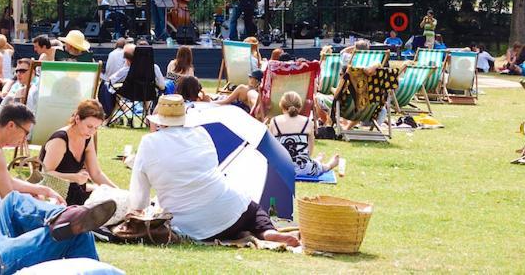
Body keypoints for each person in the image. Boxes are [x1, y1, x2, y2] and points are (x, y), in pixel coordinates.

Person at [128, 94, 299, 246]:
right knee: (252, 210)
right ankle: (266, 231)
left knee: (241, 208)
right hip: (229, 212)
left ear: (158, 121)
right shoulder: (201, 133)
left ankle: (263, 232)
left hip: (187, 225)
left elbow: (138, 201)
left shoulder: (148, 143)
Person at [40, 99, 118, 205]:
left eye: (96, 128)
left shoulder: (87, 138)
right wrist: (74, 177)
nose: (92, 132)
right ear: (77, 118)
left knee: (112, 200)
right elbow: (46, 173)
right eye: (89, 126)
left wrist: (118, 192)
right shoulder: (60, 140)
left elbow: (96, 173)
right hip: (55, 197)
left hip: (75, 191)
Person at [270, 91, 339, 177]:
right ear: (299, 107)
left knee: (308, 162)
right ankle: (329, 164)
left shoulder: (274, 121)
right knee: (320, 167)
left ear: (282, 107)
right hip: (304, 168)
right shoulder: (307, 122)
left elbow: (271, 150)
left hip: (281, 170)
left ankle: (317, 161)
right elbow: (309, 151)